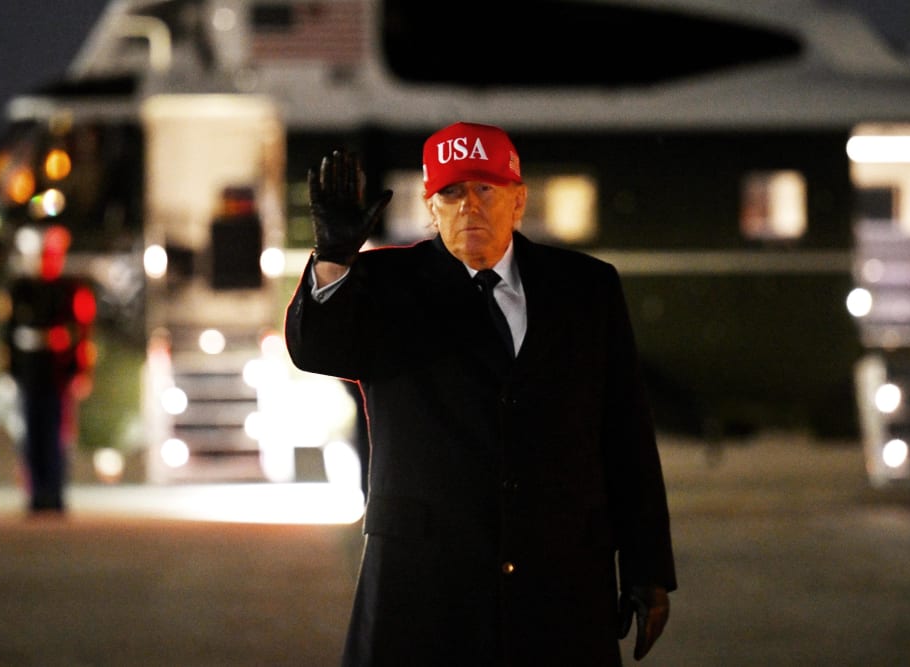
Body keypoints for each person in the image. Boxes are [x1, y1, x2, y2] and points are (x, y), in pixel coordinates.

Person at [285, 121, 676, 666]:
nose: (468, 206)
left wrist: (647, 566)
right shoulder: (384, 285)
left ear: (518, 202)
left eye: (484, 189)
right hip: (425, 585)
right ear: (431, 207)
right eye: (450, 192)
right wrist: (332, 257)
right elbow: (316, 350)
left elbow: (625, 431)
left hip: (559, 577)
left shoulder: (586, 289)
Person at [0, 224, 96, 513]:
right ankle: (36, 493)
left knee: (57, 434)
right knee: (30, 434)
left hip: (58, 372)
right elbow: (8, 334)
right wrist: (8, 370)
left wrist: (81, 370)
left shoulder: (69, 290)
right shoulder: (19, 290)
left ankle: (55, 492)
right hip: (29, 371)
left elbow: (82, 334)